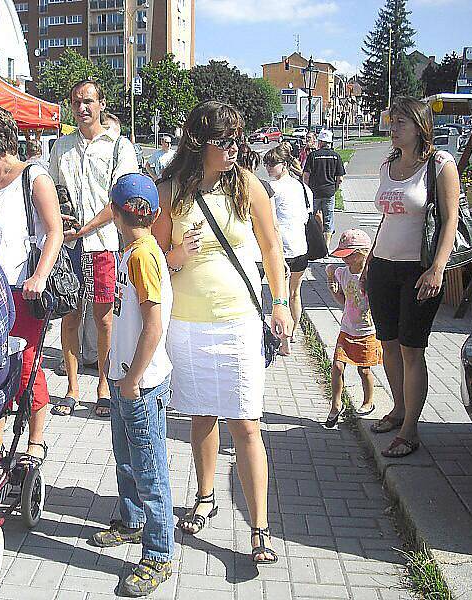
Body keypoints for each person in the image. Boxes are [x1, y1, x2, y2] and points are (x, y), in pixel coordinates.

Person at [153, 100, 292, 564]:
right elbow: (151, 261)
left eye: (238, 139)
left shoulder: (246, 185)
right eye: (224, 141)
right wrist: (176, 257)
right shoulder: (170, 192)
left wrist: (280, 303)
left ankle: (259, 528)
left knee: (246, 422)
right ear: (199, 142)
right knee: (201, 416)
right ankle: (206, 496)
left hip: (239, 320)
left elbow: (272, 247)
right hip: (188, 324)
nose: (235, 148)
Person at [0, 104, 63, 466]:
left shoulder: (34, 177)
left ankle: (36, 439)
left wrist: (40, 276)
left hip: (20, 289)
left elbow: (55, 231)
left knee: (26, 364)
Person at [90, 173, 174, 597]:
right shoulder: (136, 252)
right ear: (153, 213)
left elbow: (153, 326)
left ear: (114, 214)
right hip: (127, 377)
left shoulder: (142, 257)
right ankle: (131, 518)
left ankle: (159, 552)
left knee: (149, 467)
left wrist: (133, 379)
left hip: (140, 384)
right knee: (126, 458)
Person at [364, 96, 459, 459]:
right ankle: (398, 409)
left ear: (420, 126)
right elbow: (386, 218)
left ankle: (410, 430)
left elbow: (449, 219)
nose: (393, 128)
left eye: (401, 122)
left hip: (419, 271)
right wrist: (370, 258)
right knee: (387, 343)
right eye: (392, 121)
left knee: (411, 349)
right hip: (383, 267)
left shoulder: (439, 164)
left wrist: (438, 267)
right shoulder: (388, 165)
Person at [49, 80, 139, 418]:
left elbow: (121, 197)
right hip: (68, 247)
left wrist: (85, 228)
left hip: (102, 245)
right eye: (76, 102)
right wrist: (58, 218)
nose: (82, 108)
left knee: (104, 321)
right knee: (69, 317)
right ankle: (71, 388)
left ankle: (103, 383)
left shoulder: (119, 147)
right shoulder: (62, 146)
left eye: (88, 101)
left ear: (101, 104)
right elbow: (53, 189)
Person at [324, 229, 381, 428]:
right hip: (347, 328)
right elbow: (343, 300)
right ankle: (335, 404)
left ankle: (368, 401)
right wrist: (331, 282)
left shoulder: (372, 276)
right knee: (338, 366)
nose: (345, 260)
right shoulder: (342, 273)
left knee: (364, 370)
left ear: (361, 254)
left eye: (348, 255)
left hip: (367, 331)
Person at [264, 143, 313, 356]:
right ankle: (291, 335)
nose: (268, 167)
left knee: (281, 298)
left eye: (272, 163)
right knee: (295, 294)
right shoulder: (302, 187)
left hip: (282, 251)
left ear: (284, 164)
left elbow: (270, 222)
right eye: (266, 163)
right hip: (302, 248)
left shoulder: (273, 189)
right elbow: (306, 216)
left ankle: (285, 343)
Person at [303, 129, 345, 247]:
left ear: (320, 142)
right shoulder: (336, 156)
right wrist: (334, 189)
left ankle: (311, 245)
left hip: (314, 192)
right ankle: (326, 247)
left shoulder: (313, 156)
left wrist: (306, 190)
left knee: (310, 218)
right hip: (329, 192)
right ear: (330, 143)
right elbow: (340, 178)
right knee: (328, 220)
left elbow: (306, 175)